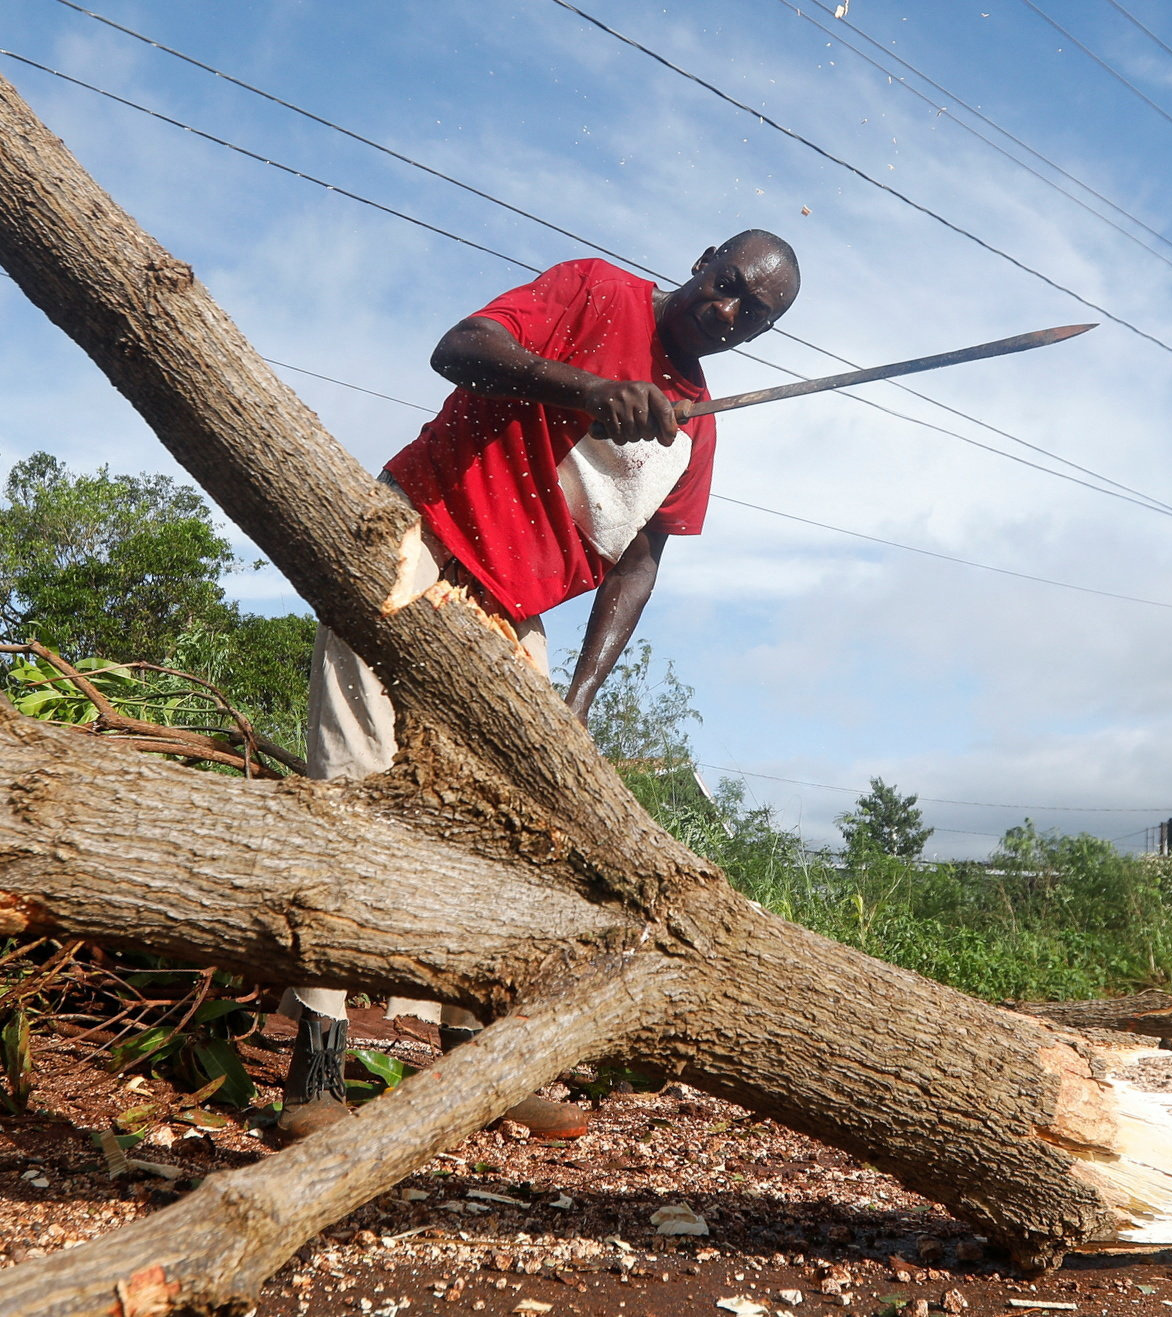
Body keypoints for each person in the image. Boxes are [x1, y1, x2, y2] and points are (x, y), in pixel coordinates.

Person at [276, 232, 801, 1144]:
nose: (727, 312)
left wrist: (580, 698)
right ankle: (313, 1066)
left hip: (510, 604)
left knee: (517, 828)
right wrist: (590, 390)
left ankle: (480, 1056)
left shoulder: (699, 425)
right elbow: (459, 350)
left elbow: (639, 562)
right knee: (349, 785)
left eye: (751, 316)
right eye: (725, 286)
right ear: (703, 257)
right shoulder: (596, 291)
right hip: (416, 537)